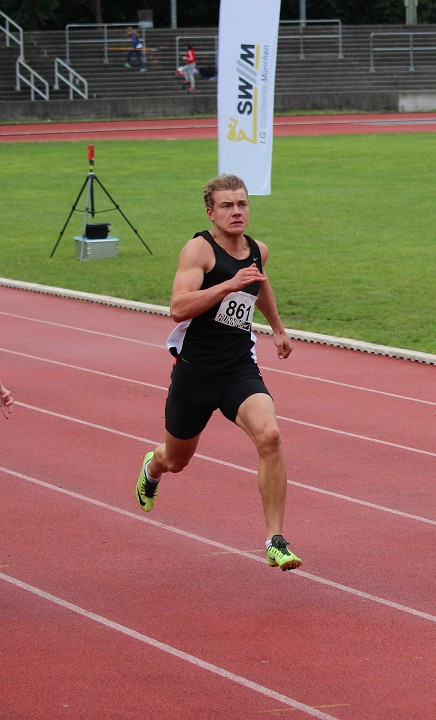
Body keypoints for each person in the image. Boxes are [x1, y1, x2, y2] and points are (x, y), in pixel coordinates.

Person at [135, 174, 303, 571]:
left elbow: (260, 285)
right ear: (210, 212)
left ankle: (275, 540)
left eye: (242, 204)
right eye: (227, 205)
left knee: (271, 436)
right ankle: (152, 468)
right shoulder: (198, 251)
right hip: (195, 373)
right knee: (176, 460)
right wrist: (228, 284)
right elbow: (178, 307)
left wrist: (277, 328)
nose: (237, 211)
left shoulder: (258, 250)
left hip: (236, 369)